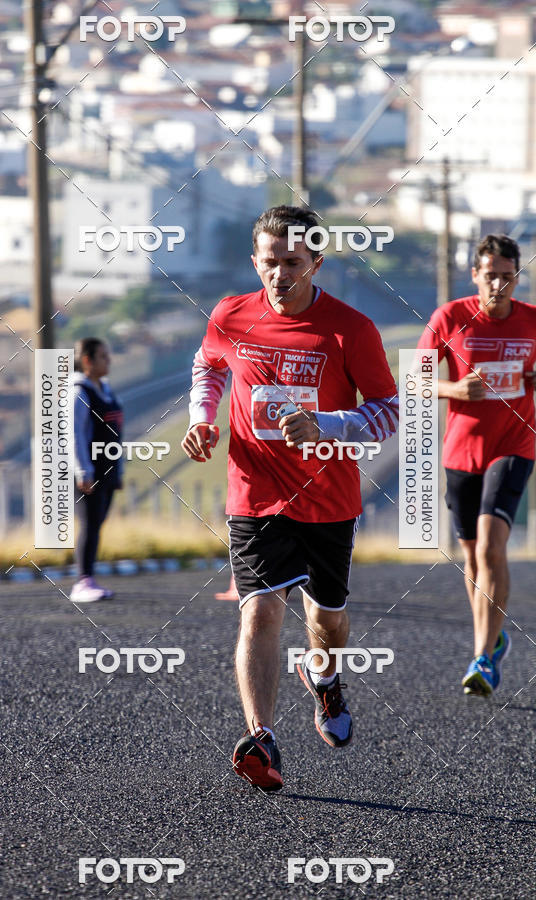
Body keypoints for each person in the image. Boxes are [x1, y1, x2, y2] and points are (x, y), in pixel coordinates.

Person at [181, 206, 398, 790]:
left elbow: (388, 412)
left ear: (316, 263)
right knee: (260, 609)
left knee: (327, 620)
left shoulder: (350, 329)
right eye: (269, 262)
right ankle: (262, 738)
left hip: (328, 498)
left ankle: (324, 679)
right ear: (255, 261)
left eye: (293, 263)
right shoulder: (231, 314)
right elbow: (209, 365)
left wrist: (326, 424)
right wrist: (203, 418)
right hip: (255, 492)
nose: (280, 274)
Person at [417, 234, 536, 695]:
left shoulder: (531, 320)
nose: (498, 285)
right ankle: (493, 637)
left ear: (517, 277)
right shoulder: (449, 317)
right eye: (490, 276)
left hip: (515, 445)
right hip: (462, 450)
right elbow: (415, 380)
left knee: (489, 547)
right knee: (471, 555)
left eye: (507, 277)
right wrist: (454, 390)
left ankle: (482, 658)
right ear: (475, 275)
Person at [70, 338, 123, 603]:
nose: (108, 360)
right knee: (90, 525)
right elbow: (74, 435)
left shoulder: (106, 390)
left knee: (97, 525)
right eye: (103, 356)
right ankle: (83, 582)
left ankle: (88, 579)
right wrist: (83, 471)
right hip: (88, 473)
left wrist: (118, 470)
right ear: (87, 360)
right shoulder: (79, 392)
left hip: (107, 470)